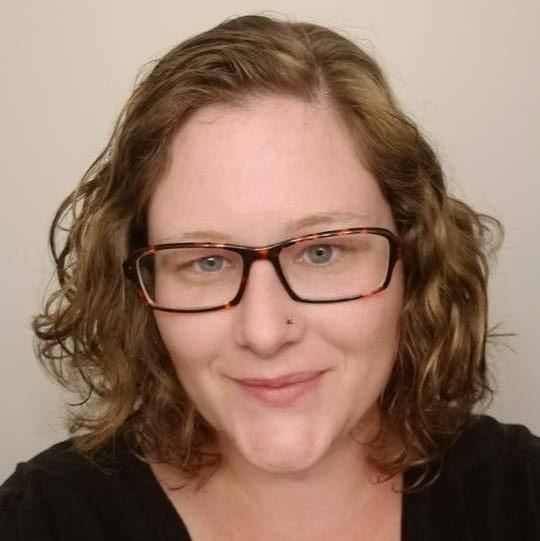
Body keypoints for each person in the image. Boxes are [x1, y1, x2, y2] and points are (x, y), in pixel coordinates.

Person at [1, 14, 539, 541]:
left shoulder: (523, 495)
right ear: (143, 288)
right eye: (206, 261)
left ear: (412, 256)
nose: (263, 333)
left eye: (323, 251)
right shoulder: (42, 519)